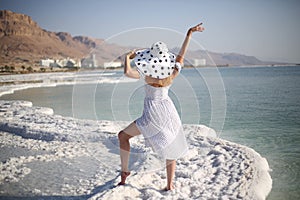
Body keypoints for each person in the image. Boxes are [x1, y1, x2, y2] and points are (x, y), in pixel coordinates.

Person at [118, 23, 205, 190]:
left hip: (151, 114)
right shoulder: (172, 73)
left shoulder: (148, 75)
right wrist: (189, 33)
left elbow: (127, 73)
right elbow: (181, 55)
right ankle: (170, 185)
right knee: (171, 147)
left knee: (123, 136)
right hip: (168, 111)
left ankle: (124, 172)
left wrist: (127, 58)